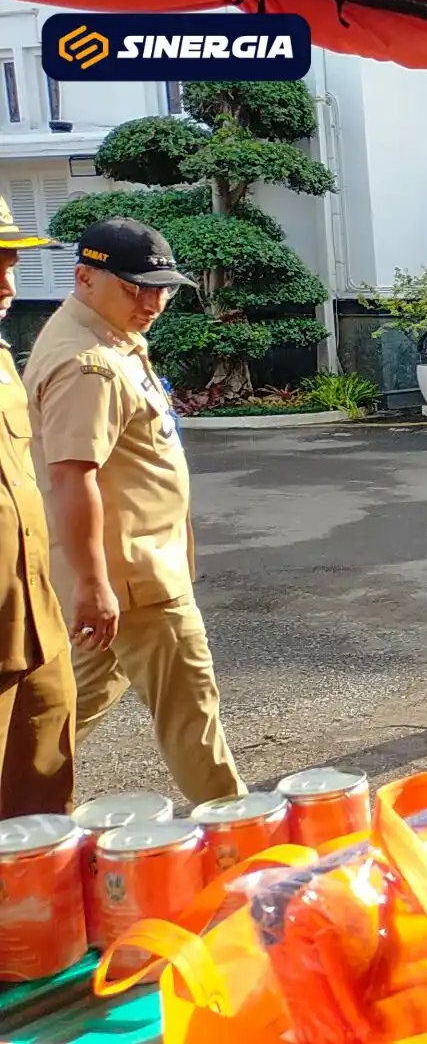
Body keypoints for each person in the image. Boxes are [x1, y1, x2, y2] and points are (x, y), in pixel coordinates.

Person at [24, 217, 244, 806]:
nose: (153, 301)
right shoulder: (87, 362)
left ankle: (17, 811)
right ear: (85, 278)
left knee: (69, 705)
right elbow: (73, 476)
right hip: (135, 579)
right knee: (193, 715)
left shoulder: (103, 336)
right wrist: (95, 586)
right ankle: (248, 846)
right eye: (135, 287)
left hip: (124, 573)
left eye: (163, 287)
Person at [0, 192, 77, 819]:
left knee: (44, 799)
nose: (7, 282)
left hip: (31, 616)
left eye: (10, 261)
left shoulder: (2, 360)